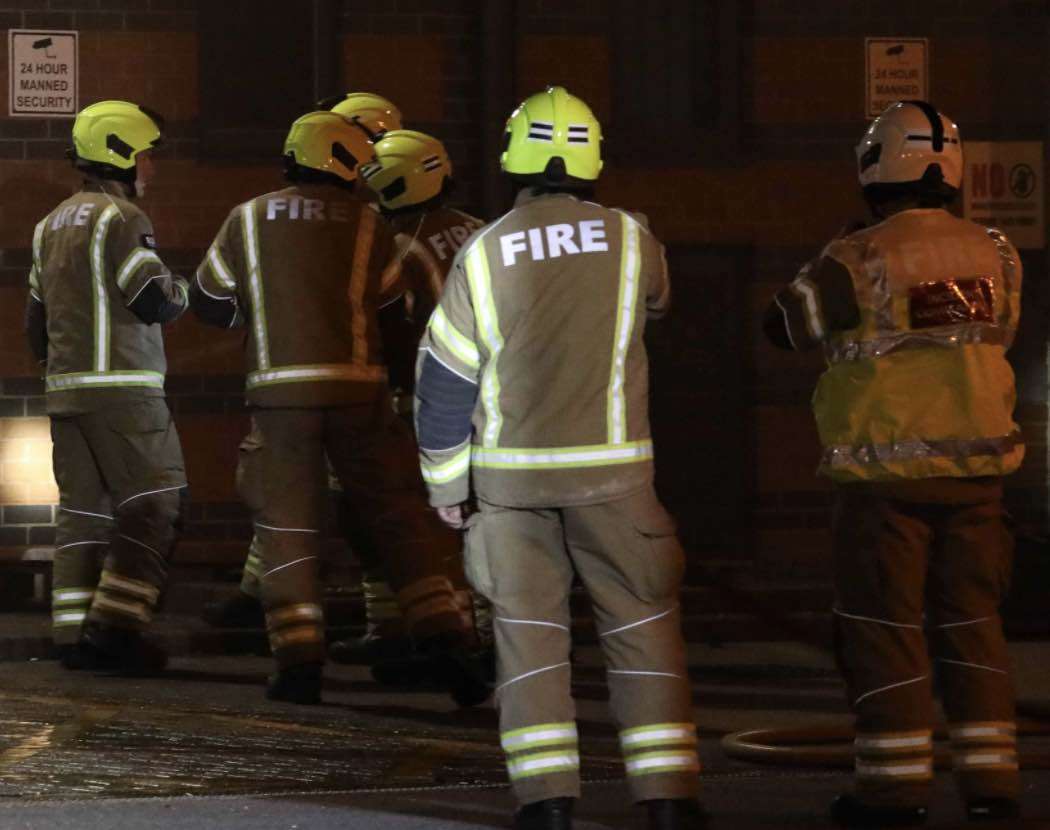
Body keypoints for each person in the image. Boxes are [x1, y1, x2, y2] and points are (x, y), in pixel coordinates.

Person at [415, 86, 704, 830]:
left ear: (514, 159)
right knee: (643, 631)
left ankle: (547, 804)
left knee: (529, 638)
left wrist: (447, 481)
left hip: (511, 487)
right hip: (616, 479)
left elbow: (445, 377)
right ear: (593, 160)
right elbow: (660, 305)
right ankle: (668, 801)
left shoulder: (482, 251)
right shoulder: (635, 240)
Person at [764, 100, 1024, 827]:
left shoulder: (860, 257)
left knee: (884, 629)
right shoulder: (998, 254)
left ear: (875, 170)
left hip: (885, 485)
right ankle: (992, 783)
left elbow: (783, 325)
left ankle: (893, 788)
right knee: (973, 624)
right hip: (979, 479)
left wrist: (827, 254)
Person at [189, 110, 488, 707]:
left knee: (288, 527)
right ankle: (449, 640)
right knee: (399, 518)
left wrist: (263, 312)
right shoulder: (371, 225)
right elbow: (391, 316)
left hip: (280, 397)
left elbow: (209, 301)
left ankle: (299, 661)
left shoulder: (246, 218)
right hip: (361, 392)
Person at [25, 100, 189, 674]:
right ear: (120, 152)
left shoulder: (50, 225)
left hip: (66, 392)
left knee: (82, 515)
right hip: (123, 392)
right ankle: (117, 631)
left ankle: (72, 637)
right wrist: (182, 290)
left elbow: (34, 324)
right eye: (146, 155)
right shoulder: (123, 220)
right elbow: (152, 299)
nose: (151, 169)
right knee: (155, 504)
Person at [327, 128, 492, 671]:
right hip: (498, 399)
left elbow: (386, 324)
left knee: (414, 522)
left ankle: (443, 639)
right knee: (480, 523)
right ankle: (493, 641)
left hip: (434, 400)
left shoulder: (402, 245)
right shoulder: (484, 231)